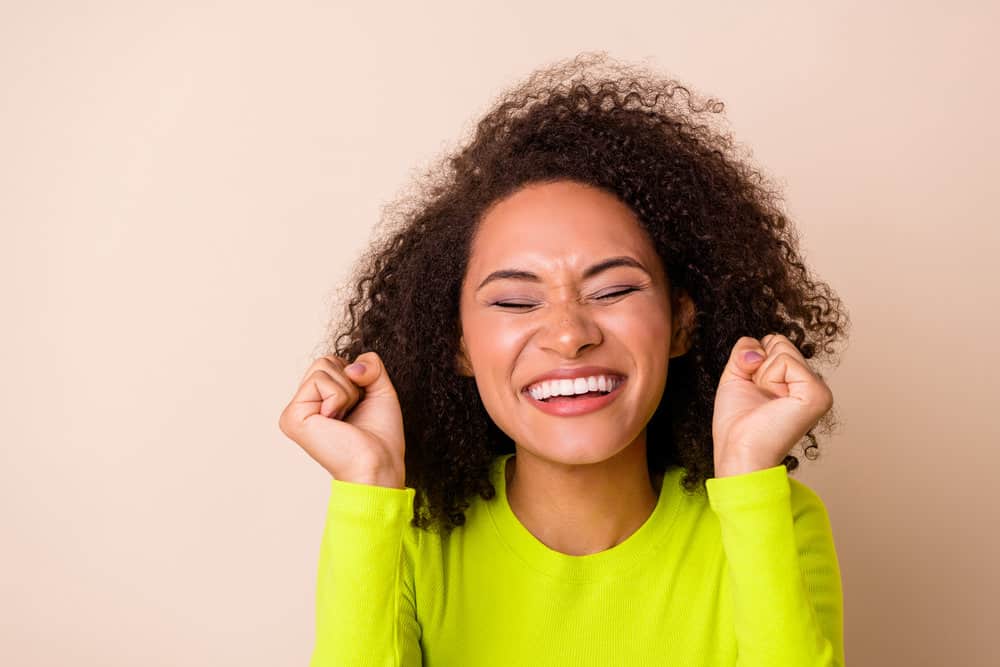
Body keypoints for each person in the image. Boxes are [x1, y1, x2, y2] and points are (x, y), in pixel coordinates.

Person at [278, 51, 850, 666]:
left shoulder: (773, 517)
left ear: (683, 322)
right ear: (459, 346)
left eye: (613, 291)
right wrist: (366, 487)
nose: (569, 334)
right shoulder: (408, 538)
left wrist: (747, 473)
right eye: (517, 300)